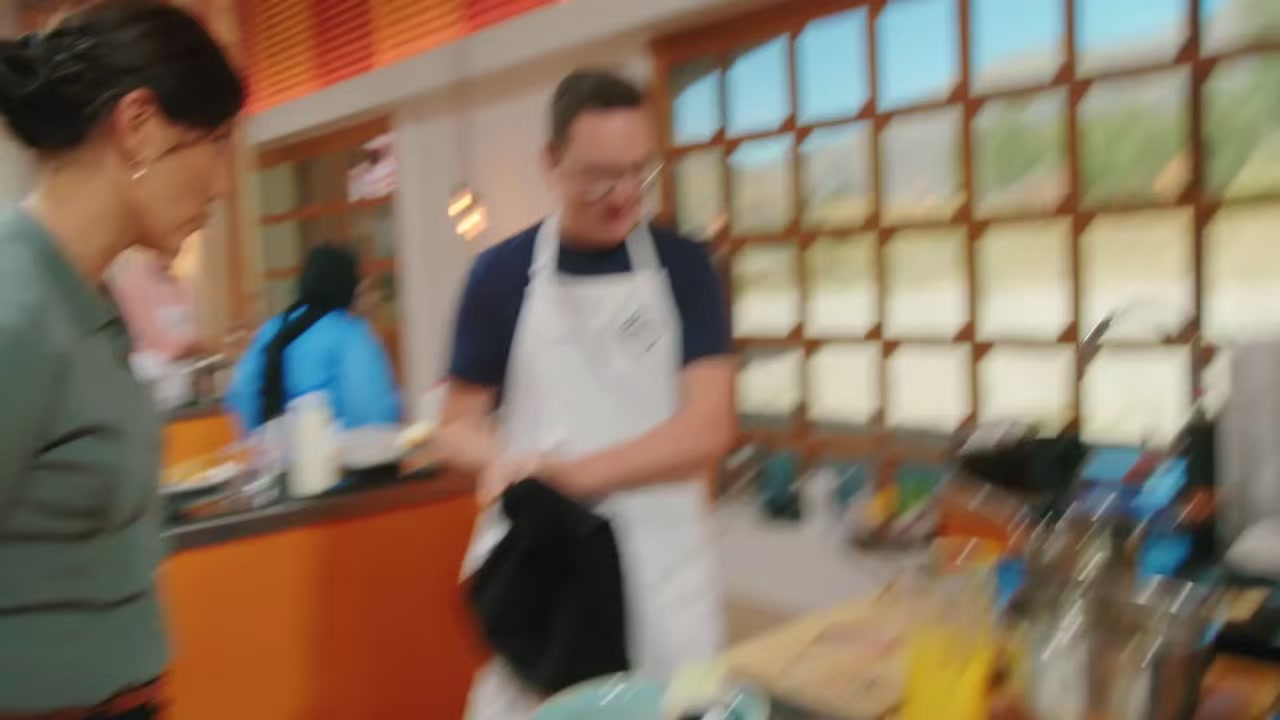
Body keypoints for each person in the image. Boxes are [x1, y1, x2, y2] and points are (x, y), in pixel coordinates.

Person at [437, 69, 734, 719]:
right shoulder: (501, 276)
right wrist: (502, 458)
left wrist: (573, 475)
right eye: (600, 176)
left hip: (663, 563)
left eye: (638, 172)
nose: (624, 195)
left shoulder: (685, 267)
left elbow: (709, 426)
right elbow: (454, 426)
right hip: (549, 569)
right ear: (551, 162)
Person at [0, 1, 243, 717]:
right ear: (139, 125)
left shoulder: (88, 297)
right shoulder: (17, 308)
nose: (223, 184)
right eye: (216, 143)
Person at [225, 244, 401, 433]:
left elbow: (243, 394)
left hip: (270, 447)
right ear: (350, 287)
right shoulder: (350, 334)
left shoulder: (271, 330)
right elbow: (371, 411)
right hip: (336, 449)